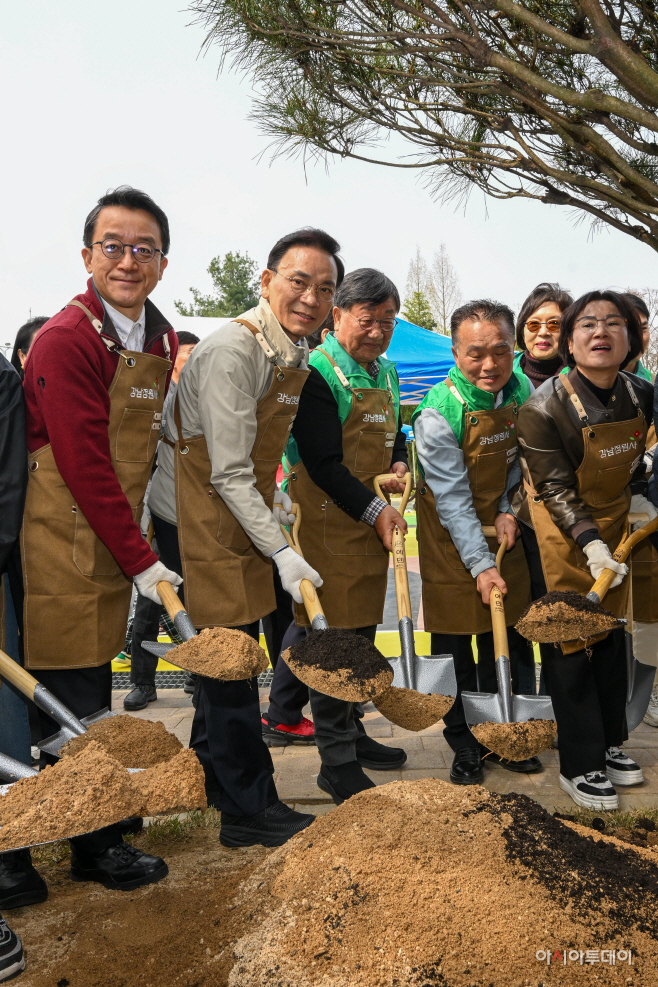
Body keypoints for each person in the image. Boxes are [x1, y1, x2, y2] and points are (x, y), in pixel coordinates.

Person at [147, 227, 340, 846]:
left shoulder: (295, 351)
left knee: (229, 662)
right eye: (298, 281)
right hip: (197, 516)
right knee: (230, 672)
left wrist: (276, 498)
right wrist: (283, 552)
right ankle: (248, 811)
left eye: (324, 287)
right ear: (267, 282)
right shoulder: (236, 349)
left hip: (239, 509)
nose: (310, 297)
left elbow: (251, 457)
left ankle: (210, 777)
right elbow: (226, 470)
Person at [17, 186, 180, 891]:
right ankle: (59, 849)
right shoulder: (65, 338)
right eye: (113, 246)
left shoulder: (159, 335)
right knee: (58, 706)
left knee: (87, 696)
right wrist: (144, 560)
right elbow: (84, 463)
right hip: (58, 543)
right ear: (87, 256)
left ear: (163, 263)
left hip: (110, 538)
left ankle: (92, 832)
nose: (128, 260)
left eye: (143, 248)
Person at [518, 290, 654, 810]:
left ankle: (611, 743)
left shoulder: (640, 393)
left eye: (614, 323)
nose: (601, 332)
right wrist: (593, 544)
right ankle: (580, 762)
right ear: (571, 342)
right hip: (563, 530)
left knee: (611, 636)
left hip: (617, 522)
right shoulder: (541, 407)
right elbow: (555, 488)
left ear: (632, 338)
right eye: (588, 324)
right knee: (570, 639)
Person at [284, 267, 410, 805]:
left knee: (361, 635)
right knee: (331, 643)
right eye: (368, 320)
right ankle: (335, 763)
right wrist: (378, 510)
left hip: (367, 523)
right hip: (327, 524)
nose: (378, 331)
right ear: (336, 318)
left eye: (388, 321)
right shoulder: (317, 372)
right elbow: (324, 464)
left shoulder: (386, 373)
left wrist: (401, 463)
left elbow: (397, 432)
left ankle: (353, 733)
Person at [413, 300, 536, 785]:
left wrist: (509, 507)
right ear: (455, 351)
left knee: (511, 639)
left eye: (501, 351)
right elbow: (453, 500)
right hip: (449, 533)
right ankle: (464, 743)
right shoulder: (436, 415)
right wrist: (481, 565)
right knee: (457, 644)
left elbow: (520, 460)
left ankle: (509, 735)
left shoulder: (521, 388)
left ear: (514, 349)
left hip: (505, 527)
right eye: (476, 354)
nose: (490, 366)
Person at [122, 329, 201, 709]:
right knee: (151, 600)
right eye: (188, 355)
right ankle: (143, 682)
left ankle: (197, 673)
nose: (195, 362)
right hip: (154, 507)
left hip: (194, 509)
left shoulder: (204, 396)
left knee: (196, 597)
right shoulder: (156, 396)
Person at [513, 283, 573, 390]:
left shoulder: (580, 378)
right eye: (534, 324)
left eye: (554, 324)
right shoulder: (505, 374)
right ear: (522, 330)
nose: (543, 332)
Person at [624, 294, 652, 380]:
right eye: (627, 329)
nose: (637, 337)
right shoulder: (584, 383)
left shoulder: (653, 385)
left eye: (643, 328)